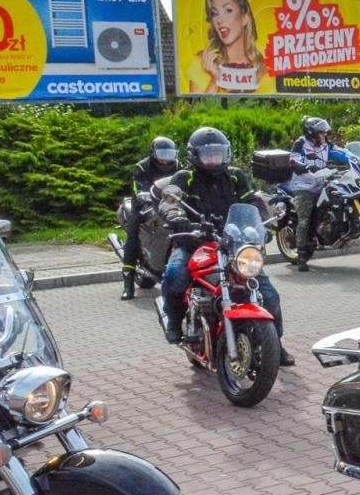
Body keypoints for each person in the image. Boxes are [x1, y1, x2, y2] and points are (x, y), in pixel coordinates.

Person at [158, 127, 295, 365]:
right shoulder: (183, 178)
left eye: (218, 153)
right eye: (208, 154)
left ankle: (276, 345)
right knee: (174, 274)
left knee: (270, 295)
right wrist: (175, 216)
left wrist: (262, 225)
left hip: (233, 245)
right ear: (194, 155)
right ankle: (174, 321)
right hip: (194, 242)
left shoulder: (235, 176)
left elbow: (253, 201)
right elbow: (169, 202)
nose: (214, 158)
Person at [119, 137, 180, 299]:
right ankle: (128, 284)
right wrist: (143, 194)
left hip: (170, 206)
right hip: (143, 205)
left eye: (169, 154)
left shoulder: (178, 166)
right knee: (132, 237)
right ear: (153, 153)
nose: (166, 159)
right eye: (162, 154)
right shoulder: (142, 166)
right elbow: (137, 187)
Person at [287, 116, 346, 272]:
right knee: (304, 220)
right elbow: (293, 160)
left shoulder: (326, 145)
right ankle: (301, 255)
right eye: (321, 133)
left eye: (325, 133)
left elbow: (341, 153)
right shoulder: (301, 143)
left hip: (322, 185)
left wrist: (356, 157)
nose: (324, 135)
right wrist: (304, 166)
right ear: (311, 133)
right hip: (304, 187)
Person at [184, 0, 266, 94]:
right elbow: (199, 105)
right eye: (214, 13)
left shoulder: (264, 67)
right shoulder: (202, 61)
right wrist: (215, 80)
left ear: (245, 18)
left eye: (228, 10)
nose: (219, 20)